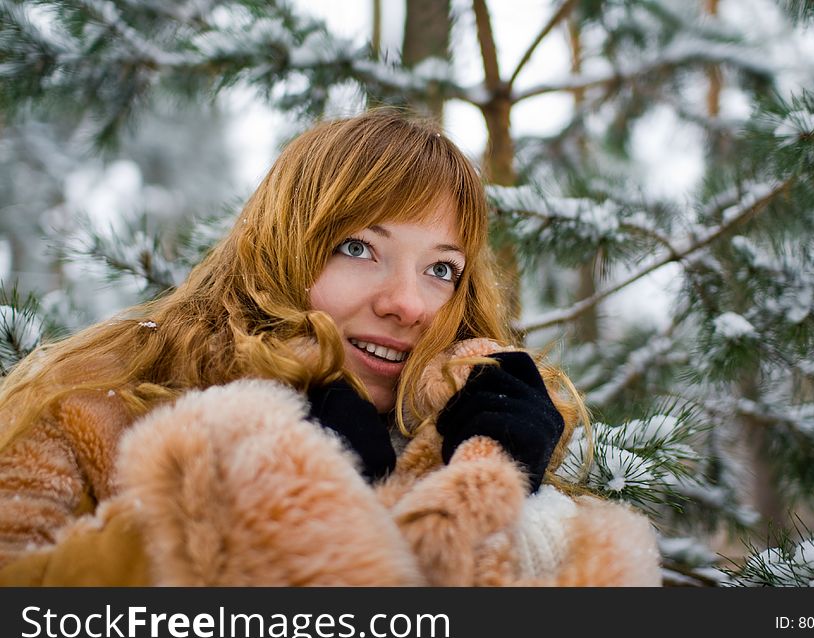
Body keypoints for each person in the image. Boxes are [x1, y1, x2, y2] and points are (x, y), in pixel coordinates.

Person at [0, 109, 612, 585]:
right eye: (358, 248)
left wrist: (506, 501)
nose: (409, 304)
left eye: (441, 269)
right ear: (280, 248)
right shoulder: (96, 405)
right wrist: (266, 502)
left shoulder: (450, 426)